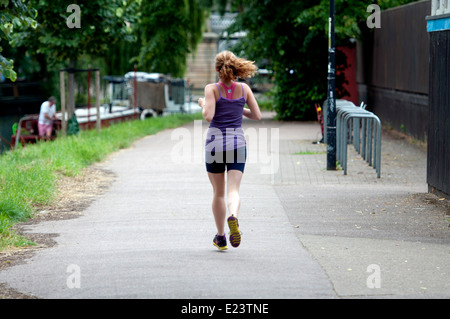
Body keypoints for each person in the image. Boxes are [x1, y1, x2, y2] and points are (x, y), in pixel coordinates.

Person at [198, 50, 261, 250]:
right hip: (237, 145)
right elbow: (257, 115)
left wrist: (203, 104)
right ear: (234, 68)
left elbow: (208, 116)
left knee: (218, 193)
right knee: (233, 190)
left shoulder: (211, 89)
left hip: (215, 145)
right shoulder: (244, 89)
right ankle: (233, 216)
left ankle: (221, 237)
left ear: (217, 69)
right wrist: (237, 107)